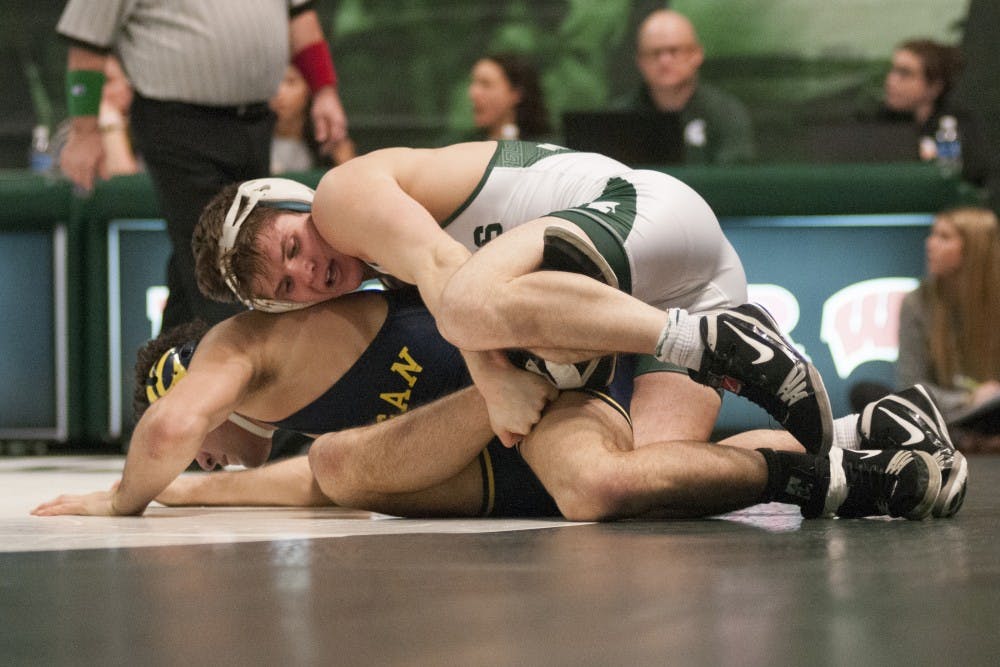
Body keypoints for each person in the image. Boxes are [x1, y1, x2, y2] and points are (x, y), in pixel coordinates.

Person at [31, 285, 958, 521]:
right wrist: (175, 496)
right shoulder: (300, 427)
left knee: (593, 487)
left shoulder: (272, 339)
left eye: (203, 439)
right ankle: (855, 444)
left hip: (588, 360)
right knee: (334, 469)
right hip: (544, 404)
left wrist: (127, 493)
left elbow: (177, 425)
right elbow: (236, 482)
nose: (202, 455)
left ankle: (851, 471)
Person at [191, 143, 831, 460]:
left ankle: (708, 343)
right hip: (692, 283)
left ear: (296, 200)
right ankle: (853, 453)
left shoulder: (342, 195)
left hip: (644, 214)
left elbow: (451, 274)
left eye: (292, 244)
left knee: (469, 304)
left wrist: (496, 385)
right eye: (287, 285)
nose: (310, 270)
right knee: (651, 472)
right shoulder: (387, 276)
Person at [56, 0, 348, 331]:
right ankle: (244, 374)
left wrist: (324, 91)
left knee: (199, 268)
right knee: (231, 266)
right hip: (179, 124)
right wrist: (85, 131)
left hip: (254, 121)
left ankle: (165, 372)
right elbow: (87, 38)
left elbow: (300, 13)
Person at [897, 207, 1000, 447]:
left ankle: (963, 437)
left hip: (992, 411)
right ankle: (966, 437)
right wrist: (969, 399)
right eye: (933, 234)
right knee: (871, 395)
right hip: (940, 413)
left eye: (944, 237)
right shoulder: (917, 302)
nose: (930, 244)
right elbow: (909, 385)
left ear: (975, 249)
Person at [618, 9, 755, 165]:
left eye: (674, 50)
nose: (665, 61)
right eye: (655, 53)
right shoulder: (619, 119)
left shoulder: (726, 114)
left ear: (696, 54)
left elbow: (735, 181)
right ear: (640, 61)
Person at [270, 64, 355, 174]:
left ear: (310, 89)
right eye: (273, 83)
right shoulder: (252, 142)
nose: (279, 92)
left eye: (291, 82)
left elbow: (351, 180)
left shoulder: (330, 141)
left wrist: (344, 162)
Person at [465, 53, 552, 142]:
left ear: (516, 93)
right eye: (473, 83)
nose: (473, 93)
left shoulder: (546, 148)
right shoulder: (464, 149)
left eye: (486, 84)